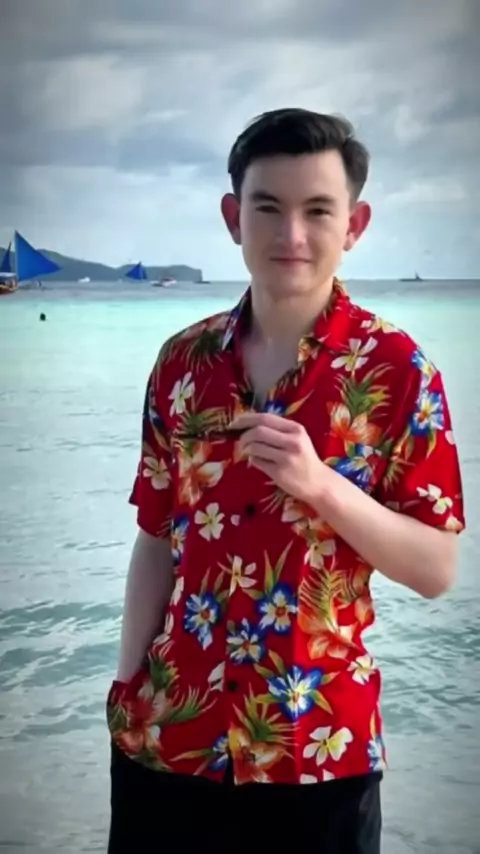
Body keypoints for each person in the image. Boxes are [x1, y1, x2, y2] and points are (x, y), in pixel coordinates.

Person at [106, 108, 465, 853]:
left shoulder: (398, 372)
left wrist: (323, 486)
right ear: (233, 218)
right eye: (268, 207)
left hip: (318, 749)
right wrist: (126, 683)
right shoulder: (181, 363)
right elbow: (156, 537)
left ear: (354, 225)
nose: (291, 234)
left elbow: (436, 569)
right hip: (168, 736)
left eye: (318, 210)